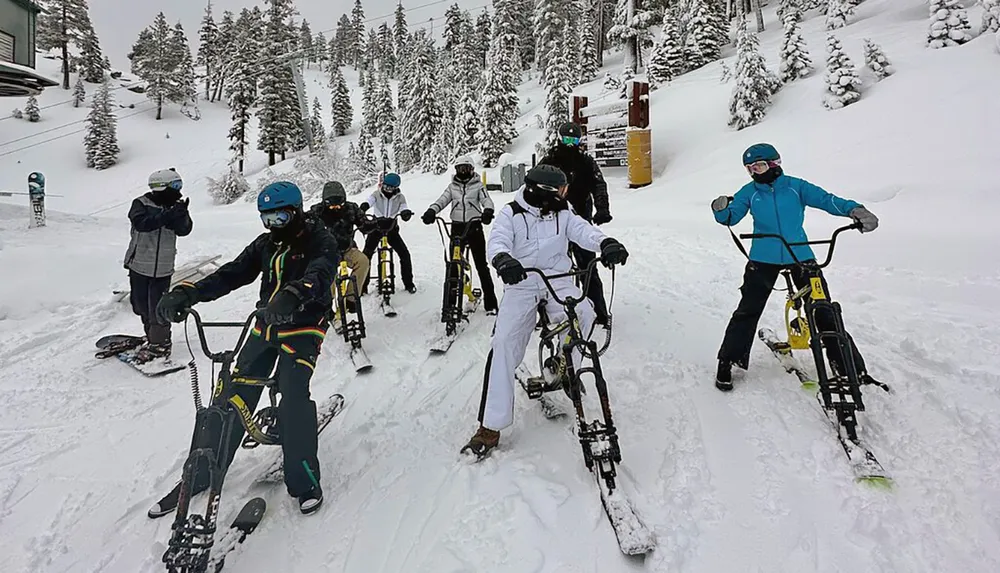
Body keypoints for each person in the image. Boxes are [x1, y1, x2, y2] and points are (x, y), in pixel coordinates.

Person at [151, 181, 340, 516]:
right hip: (267, 321)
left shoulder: (320, 238)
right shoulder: (266, 244)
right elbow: (232, 274)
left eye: (280, 218)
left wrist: (296, 293)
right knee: (233, 392)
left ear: (296, 212)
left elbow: (321, 272)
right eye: (267, 219)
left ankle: (304, 479)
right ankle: (203, 472)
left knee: (293, 394)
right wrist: (188, 292)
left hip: (305, 324)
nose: (274, 226)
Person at [461, 165, 629, 459]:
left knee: (585, 315)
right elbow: (497, 241)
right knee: (503, 344)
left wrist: (606, 242)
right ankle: (490, 426)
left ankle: (568, 368)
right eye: (561, 190)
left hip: (558, 279)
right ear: (544, 192)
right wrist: (502, 259)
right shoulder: (511, 214)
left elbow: (583, 231)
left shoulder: (564, 213)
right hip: (521, 281)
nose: (565, 194)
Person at [711, 143, 881, 392]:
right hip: (763, 256)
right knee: (748, 309)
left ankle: (848, 366)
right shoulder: (749, 192)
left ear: (774, 164)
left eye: (758, 166)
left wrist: (854, 210)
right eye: (749, 169)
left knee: (823, 309)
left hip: (799, 254)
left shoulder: (795, 187)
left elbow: (827, 200)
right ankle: (728, 360)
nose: (755, 173)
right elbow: (731, 217)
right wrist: (721, 209)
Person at [538, 121, 613, 327]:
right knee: (550, 265)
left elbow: (599, 184)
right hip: (553, 220)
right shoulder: (550, 160)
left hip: (580, 219)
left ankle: (600, 311)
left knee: (588, 266)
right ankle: (545, 311)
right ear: (560, 139)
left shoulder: (586, 161)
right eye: (567, 139)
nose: (571, 144)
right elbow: (535, 185)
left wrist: (602, 208)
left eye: (575, 139)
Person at [122, 168, 192, 363]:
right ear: (161, 187)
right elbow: (142, 224)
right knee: (140, 305)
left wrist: (181, 216)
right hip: (139, 265)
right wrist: (167, 216)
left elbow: (185, 230)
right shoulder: (141, 204)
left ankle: (160, 344)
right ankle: (152, 337)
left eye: (180, 186)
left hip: (162, 268)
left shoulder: (176, 205)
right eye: (175, 186)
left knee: (158, 308)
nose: (179, 191)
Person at [420, 155, 499, 314]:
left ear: (471, 170)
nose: (463, 172)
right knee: (453, 266)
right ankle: (449, 304)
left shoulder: (478, 186)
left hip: (474, 227)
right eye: (460, 169)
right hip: (456, 227)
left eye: (466, 169)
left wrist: (488, 211)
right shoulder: (452, 187)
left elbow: (486, 201)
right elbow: (442, 200)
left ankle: (491, 304)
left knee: (481, 265)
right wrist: (431, 211)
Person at [308, 181, 370, 314]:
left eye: (339, 204)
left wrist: (369, 225)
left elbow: (363, 222)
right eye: (332, 205)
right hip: (326, 252)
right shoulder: (316, 212)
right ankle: (327, 304)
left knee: (363, 261)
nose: (336, 208)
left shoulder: (351, 208)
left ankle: (351, 298)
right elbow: (304, 225)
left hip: (347, 249)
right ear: (325, 202)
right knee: (327, 273)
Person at [360, 172, 415, 294]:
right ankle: (363, 286)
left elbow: (403, 207)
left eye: (390, 188)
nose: (387, 190)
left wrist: (405, 213)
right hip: (376, 228)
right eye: (385, 186)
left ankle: (408, 283)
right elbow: (370, 201)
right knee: (366, 256)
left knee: (404, 254)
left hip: (391, 229)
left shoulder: (400, 197)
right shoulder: (376, 194)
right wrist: (364, 206)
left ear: (395, 188)